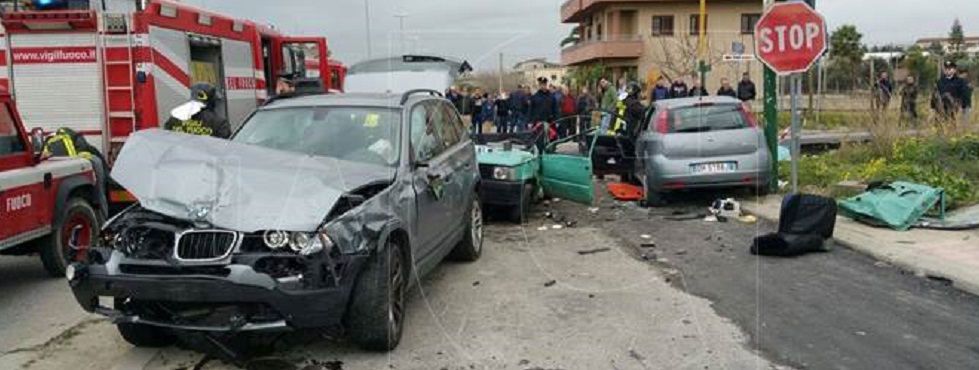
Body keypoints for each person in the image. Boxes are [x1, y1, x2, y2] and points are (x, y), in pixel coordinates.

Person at [165, 83, 232, 138]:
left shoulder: (174, 120)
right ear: (211, 100)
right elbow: (226, 146)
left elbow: (167, 141)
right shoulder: (220, 123)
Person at [529, 77, 558, 143]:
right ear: (539, 85)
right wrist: (530, 121)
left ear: (546, 85)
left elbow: (555, 109)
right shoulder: (535, 97)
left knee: (552, 139)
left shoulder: (551, 96)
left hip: (549, 121)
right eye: (541, 84)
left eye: (544, 84)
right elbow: (531, 110)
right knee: (538, 139)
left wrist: (557, 120)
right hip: (538, 122)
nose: (543, 86)